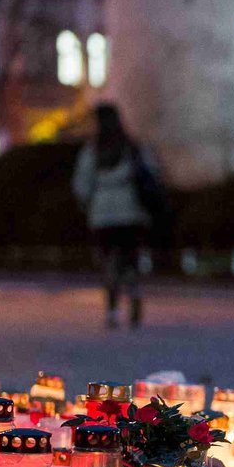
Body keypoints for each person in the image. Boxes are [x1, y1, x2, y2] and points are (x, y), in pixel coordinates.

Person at [72, 103, 162, 329]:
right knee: (130, 261)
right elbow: (152, 174)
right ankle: (133, 294)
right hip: (131, 213)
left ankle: (112, 310)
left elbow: (82, 185)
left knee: (109, 263)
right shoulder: (131, 148)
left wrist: (88, 203)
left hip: (102, 216)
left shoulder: (93, 150)